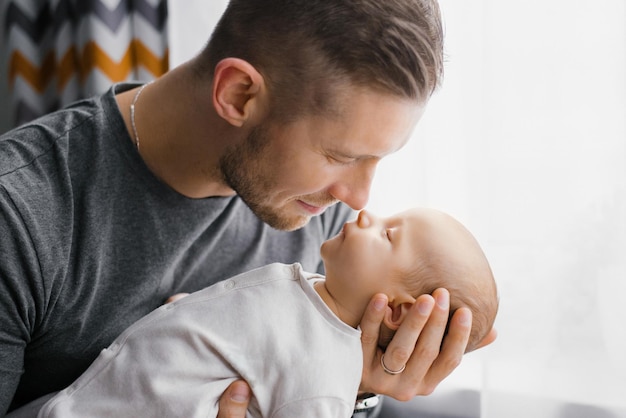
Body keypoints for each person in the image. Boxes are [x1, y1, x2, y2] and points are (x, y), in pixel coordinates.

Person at [0, 0, 496, 416]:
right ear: (238, 93)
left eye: (377, 160)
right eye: (340, 156)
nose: (359, 200)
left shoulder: (324, 222)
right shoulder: (19, 217)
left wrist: (363, 387)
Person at [28, 208, 497, 418]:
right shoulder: (312, 293)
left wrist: (359, 390)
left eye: (389, 234)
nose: (365, 212)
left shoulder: (323, 381)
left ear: (396, 311)